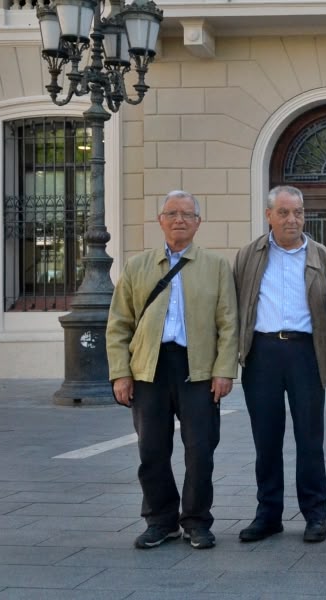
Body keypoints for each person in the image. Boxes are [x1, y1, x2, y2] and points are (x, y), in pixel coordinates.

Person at [106, 190, 237, 550]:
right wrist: (121, 373)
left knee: (200, 449)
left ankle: (196, 521)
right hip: (149, 368)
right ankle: (161, 521)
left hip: (198, 369)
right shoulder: (137, 266)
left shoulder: (215, 266)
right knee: (151, 450)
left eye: (187, 214)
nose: (179, 219)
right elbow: (118, 324)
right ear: (160, 220)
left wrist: (224, 370)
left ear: (199, 222)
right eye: (172, 213)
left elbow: (228, 322)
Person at [233, 185, 326, 544]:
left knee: (310, 439)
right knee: (266, 439)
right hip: (262, 355)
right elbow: (236, 305)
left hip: (306, 353)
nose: (292, 219)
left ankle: (315, 515)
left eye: (298, 212)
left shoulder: (322, 256)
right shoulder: (249, 256)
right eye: (284, 212)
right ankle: (268, 515)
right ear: (269, 215)